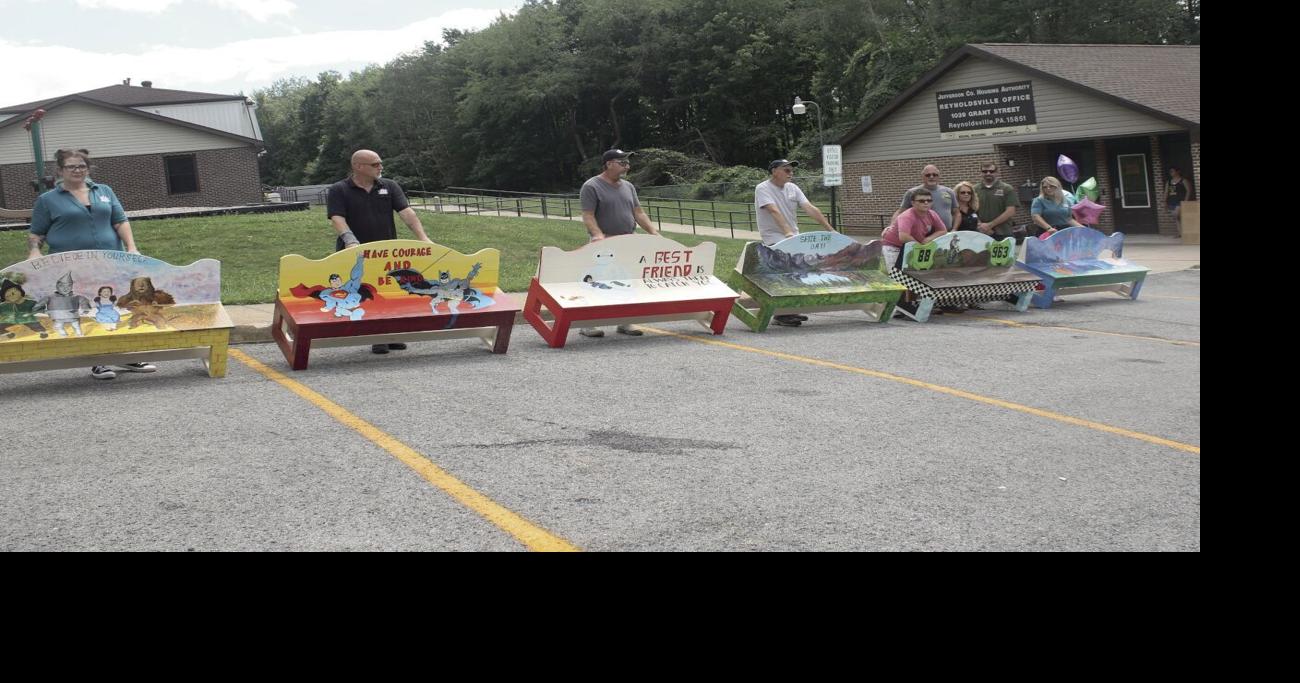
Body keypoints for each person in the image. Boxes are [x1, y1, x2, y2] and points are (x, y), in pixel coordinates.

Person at [27, 148, 154, 380]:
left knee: (115, 307)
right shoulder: (47, 200)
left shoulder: (104, 191)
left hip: (110, 261)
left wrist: (131, 248)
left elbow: (120, 221)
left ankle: (125, 356)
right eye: (71, 167)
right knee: (88, 311)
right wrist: (34, 251)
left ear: (88, 168)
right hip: (71, 268)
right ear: (60, 170)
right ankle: (98, 360)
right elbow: (36, 233)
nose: (77, 170)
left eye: (81, 166)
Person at [326, 149, 433, 354]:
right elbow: (337, 218)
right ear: (358, 167)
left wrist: (423, 238)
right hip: (356, 253)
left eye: (380, 163)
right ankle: (377, 337)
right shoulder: (339, 190)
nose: (380, 167)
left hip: (387, 253)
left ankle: (391, 334)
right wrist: (350, 240)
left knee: (389, 292)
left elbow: (407, 213)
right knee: (367, 293)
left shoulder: (389, 186)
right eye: (375, 164)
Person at [577, 149, 661, 338]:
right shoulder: (591, 186)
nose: (627, 166)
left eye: (627, 163)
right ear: (608, 164)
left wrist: (654, 232)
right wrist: (598, 235)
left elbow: (638, 212)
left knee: (628, 281)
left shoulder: (629, 187)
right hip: (604, 241)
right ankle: (588, 324)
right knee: (597, 283)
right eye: (622, 162)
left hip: (628, 240)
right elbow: (588, 215)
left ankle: (625, 322)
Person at [755, 159, 835, 327]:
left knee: (797, 271)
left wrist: (830, 230)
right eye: (787, 170)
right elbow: (773, 210)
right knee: (787, 270)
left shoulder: (793, 188)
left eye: (791, 170)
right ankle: (782, 313)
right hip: (774, 235)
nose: (791, 173)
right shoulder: (763, 188)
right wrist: (787, 233)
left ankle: (787, 310)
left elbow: (810, 208)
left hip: (792, 236)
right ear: (774, 171)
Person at [890, 164, 958, 233]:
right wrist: (891, 227)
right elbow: (900, 212)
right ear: (922, 177)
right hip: (922, 236)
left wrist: (954, 229)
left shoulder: (949, 192)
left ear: (939, 176)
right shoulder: (912, 192)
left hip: (946, 234)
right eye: (928, 175)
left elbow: (957, 213)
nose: (931, 177)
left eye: (935, 175)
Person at [973, 163, 1020, 238]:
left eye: (991, 171)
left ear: (996, 172)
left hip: (1003, 232)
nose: (988, 173)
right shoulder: (974, 189)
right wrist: (980, 225)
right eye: (985, 171)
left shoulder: (1007, 188)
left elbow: (1011, 211)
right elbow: (971, 210)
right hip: (981, 233)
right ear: (981, 173)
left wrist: (990, 225)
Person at [1166, 167, 1194, 231]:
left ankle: (1187, 231)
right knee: (1177, 218)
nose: (1171, 173)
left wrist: (1185, 201)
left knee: (1177, 215)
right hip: (1172, 201)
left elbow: (1189, 190)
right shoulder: (1169, 182)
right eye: (1170, 172)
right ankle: (1180, 233)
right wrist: (1164, 201)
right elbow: (1166, 191)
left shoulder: (1183, 180)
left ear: (1177, 172)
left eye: (1172, 171)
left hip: (1180, 201)